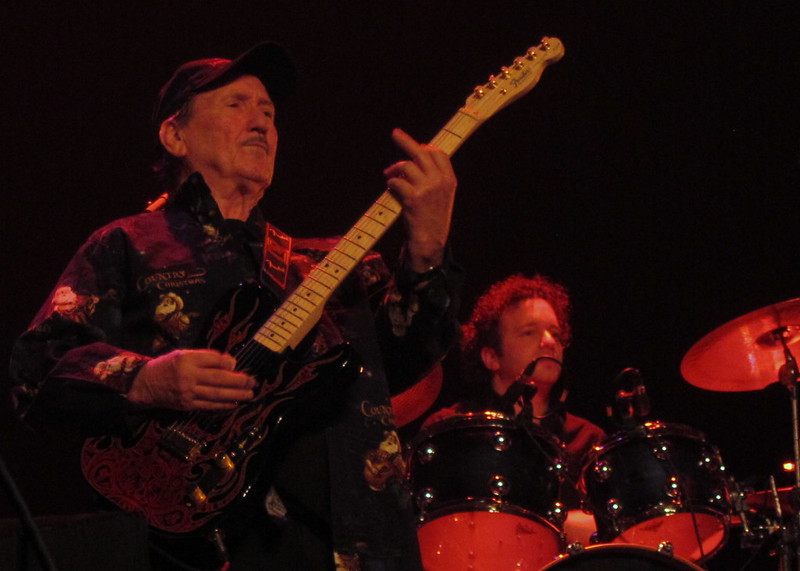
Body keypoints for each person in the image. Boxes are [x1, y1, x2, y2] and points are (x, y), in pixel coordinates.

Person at [9, 42, 463, 570]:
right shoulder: (126, 244)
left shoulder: (332, 265)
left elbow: (411, 359)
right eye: (237, 104)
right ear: (174, 135)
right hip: (194, 547)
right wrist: (146, 379)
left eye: (269, 112)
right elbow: (35, 370)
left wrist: (428, 250)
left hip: (350, 543)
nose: (261, 122)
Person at [421, 274, 605, 543]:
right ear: (492, 357)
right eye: (529, 332)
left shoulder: (588, 440)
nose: (548, 342)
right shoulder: (450, 429)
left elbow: (612, 533)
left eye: (555, 333)